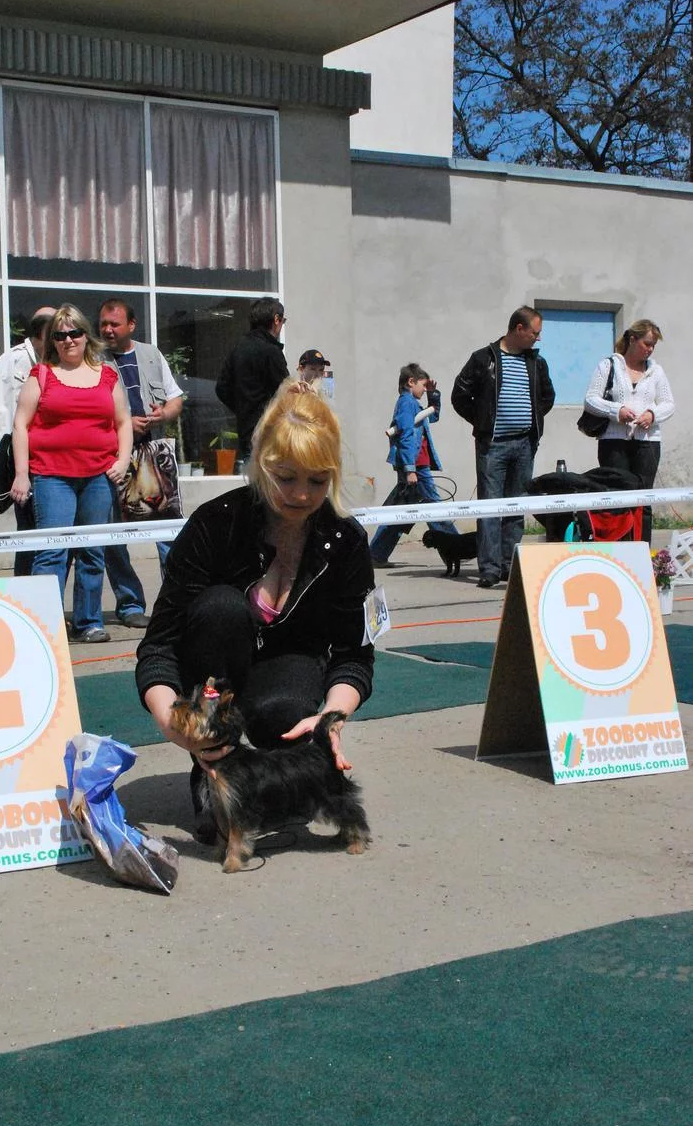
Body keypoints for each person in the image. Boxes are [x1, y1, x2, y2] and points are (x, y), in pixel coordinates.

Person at [135, 380, 375, 841]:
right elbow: (159, 646)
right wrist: (172, 721)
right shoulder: (215, 523)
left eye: (317, 481)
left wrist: (330, 718)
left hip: (287, 671)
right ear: (261, 462)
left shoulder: (345, 541)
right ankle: (208, 769)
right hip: (211, 675)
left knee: (286, 713)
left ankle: (274, 779)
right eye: (286, 477)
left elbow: (354, 655)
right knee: (222, 607)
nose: (301, 494)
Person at [11, 305, 133, 643]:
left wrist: (123, 461)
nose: (68, 340)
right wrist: (21, 473)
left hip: (99, 477)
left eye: (74, 333)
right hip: (51, 476)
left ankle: (88, 622)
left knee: (92, 551)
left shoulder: (106, 375)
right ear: (52, 341)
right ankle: (42, 624)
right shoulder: (41, 374)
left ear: (85, 335)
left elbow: (123, 422)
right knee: (52, 551)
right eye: (60, 335)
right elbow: (20, 425)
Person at [451, 306, 555, 588]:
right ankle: (489, 568)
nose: (538, 338)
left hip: (525, 444)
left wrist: (530, 421)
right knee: (490, 506)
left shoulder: (537, 362)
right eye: (535, 332)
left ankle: (510, 565)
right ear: (519, 329)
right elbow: (459, 396)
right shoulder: (482, 358)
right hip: (493, 445)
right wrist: (483, 422)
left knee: (516, 505)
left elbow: (548, 397)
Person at [98, 298, 185, 627]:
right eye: (103, 324)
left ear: (131, 325)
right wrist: (122, 425)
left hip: (153, 455)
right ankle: (130, 604)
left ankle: (175, 604)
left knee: (168, 533)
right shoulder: (93, 359)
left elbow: (176, 400)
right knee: (113, 537)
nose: (107, 330)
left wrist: (164, 413)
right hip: (111, 459)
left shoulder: (151, 354)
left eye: (114, 324)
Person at [0, 307, 56, 576]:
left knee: (52, 537)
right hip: (24, 467)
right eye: (57, 333)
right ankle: (26, 592)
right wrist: (13, 471)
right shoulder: (10, 363)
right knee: (29, 534)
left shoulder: (59, 362)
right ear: (43, 334)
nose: (64, 339)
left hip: (53, 464)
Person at [583, 318, 674, 543]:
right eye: (647, 344)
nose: (650, 349)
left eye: (653, 345)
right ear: (632, 339)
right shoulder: (608, 365)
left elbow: (669, 403)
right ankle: (619, 553)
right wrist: (617, 410)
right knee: (616, 500)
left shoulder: (656, 371)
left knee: (644, 500)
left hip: (648, 442)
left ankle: (643, 552)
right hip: (613, 442)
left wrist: (652, 415)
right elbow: (590, 400)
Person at [369, 363, 458, 568]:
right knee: (434, 507)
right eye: (423, 385)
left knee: (401, 511)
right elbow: (407, 435)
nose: (424, 389)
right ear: (411, 382)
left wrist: (433, 395)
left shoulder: (412, 404)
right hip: (416, 466)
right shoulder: (407, 403)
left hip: (416, 465)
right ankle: (456, 547)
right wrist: (410, 469)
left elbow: (432, 416)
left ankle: (376, 554)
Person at [215, 297, 289, 458]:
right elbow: (286, 392)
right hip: (270, 433)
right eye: (283, 321)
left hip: (246, 431)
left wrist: (243, 408)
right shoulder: (271, 351)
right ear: (276, 319)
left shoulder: (239, 347)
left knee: (251, 471)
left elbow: (221, 388)